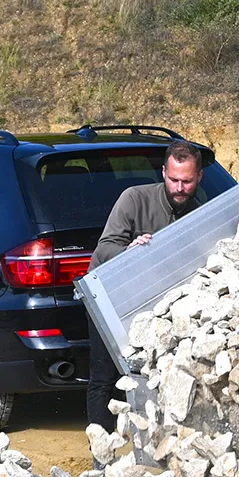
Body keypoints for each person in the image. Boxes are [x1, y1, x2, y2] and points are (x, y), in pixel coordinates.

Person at [85, 143, 206, 427]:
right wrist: (132, 253)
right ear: (163, 172)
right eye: (173, 179)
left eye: (187, 181)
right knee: (104, 378)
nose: (179, 187)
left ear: (199, 177)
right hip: (107, 298)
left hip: (156, 303)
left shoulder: (200, 215)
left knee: (153, 373)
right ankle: (101, 458)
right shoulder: (134, 199)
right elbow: (105, 249)